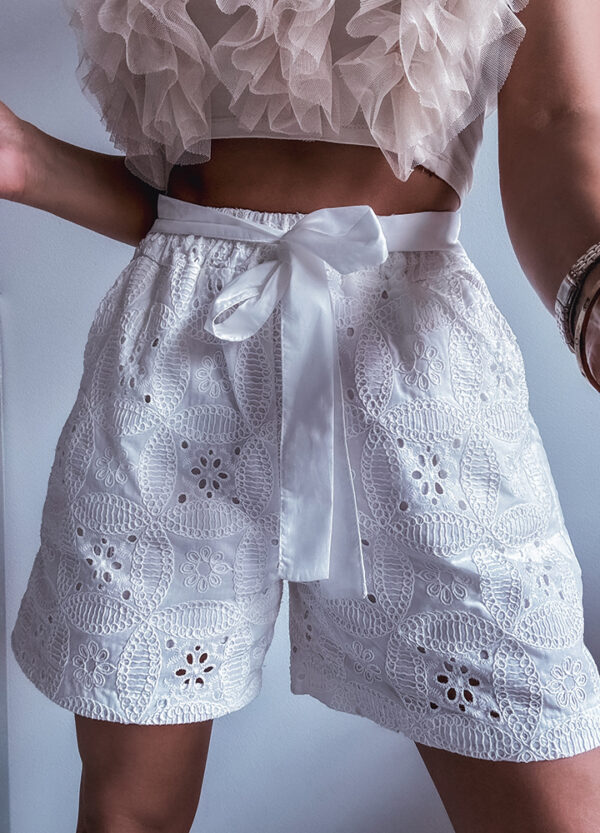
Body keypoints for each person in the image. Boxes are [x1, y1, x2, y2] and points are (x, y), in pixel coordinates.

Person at [3, 0, 600, 831]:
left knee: (548, 788)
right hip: (180, 349)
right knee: (129, 809)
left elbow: (558, 118)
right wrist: (23, 159)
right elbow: (186, 202)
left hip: (411, 354)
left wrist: (593, 295)